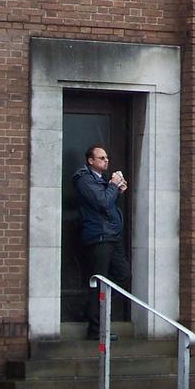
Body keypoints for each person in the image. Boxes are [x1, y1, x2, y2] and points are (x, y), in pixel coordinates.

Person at [74, 144, 130, 340]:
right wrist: (113, 185)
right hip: (99, 237)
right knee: (100, 281)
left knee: (122, 274)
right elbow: (102, 203)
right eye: (102, 158)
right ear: (91, 161)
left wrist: (117, 190)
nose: (106, 161)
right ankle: (96, 327)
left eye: (107, 158)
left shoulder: (100, 181)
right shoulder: (85, 180)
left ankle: (96, 307)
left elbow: (107, 204)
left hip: (112, 236)